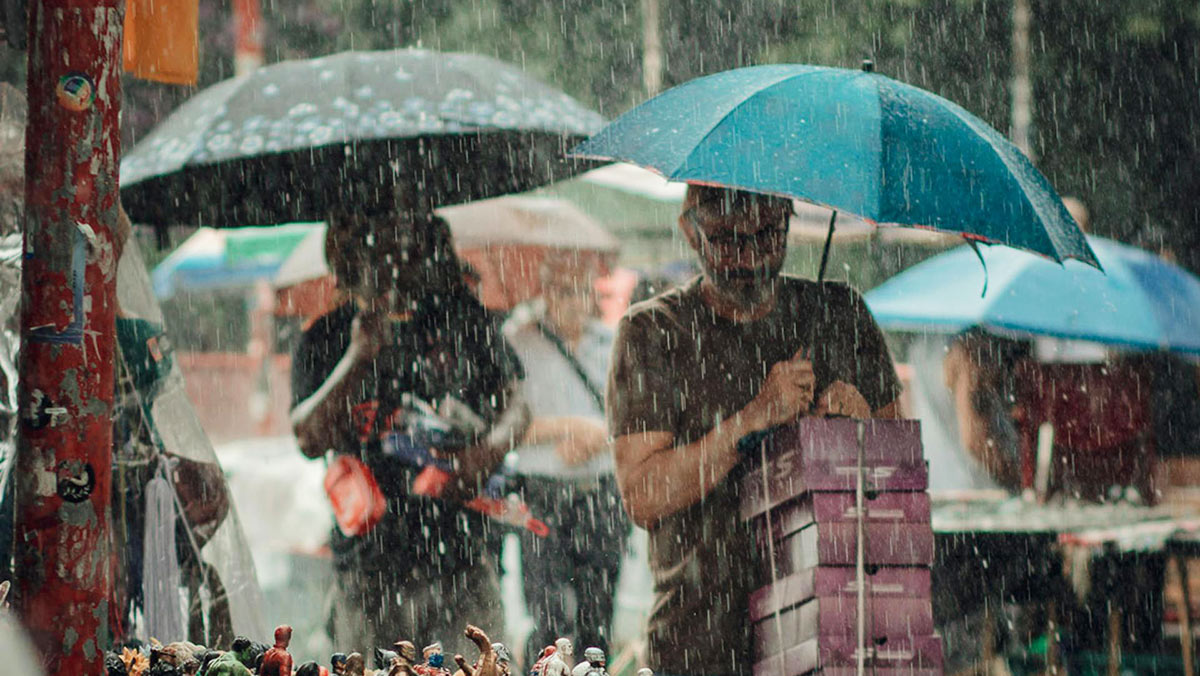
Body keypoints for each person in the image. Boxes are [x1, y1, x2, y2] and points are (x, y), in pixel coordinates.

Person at [607, 185, 902, 674]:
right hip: (699, 640)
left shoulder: (839, 315)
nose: (748, 255)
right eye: (726, 238)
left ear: (789, 221)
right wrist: (753, 419)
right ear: (690, 230)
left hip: (831, 637)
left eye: (767, 234)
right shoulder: (654, 333)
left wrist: (859, 430)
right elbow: (643, 495)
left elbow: (898, 478)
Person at [290, 204, 528, 656]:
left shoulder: (459, 318)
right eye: (369, 254)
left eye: (398, 249)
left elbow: (520, 400)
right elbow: (307, 437)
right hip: (369, 569)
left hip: (462, 558)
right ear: (344, 267)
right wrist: (358, 356)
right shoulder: (324, 338)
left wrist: (489, 451)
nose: (389, 265)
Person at [503, 256, 628, 659]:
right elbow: (507, 426)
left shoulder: (611, 343)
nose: (568, 300)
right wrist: (569, 427)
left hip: (601, 493)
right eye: (558, 290)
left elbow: (634, 419)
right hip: (542, 492)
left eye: (576, 289)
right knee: (547, 616)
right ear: (544, 292)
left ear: (591, 292)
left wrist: (598, 437)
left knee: (597, 618)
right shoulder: (519, 342)